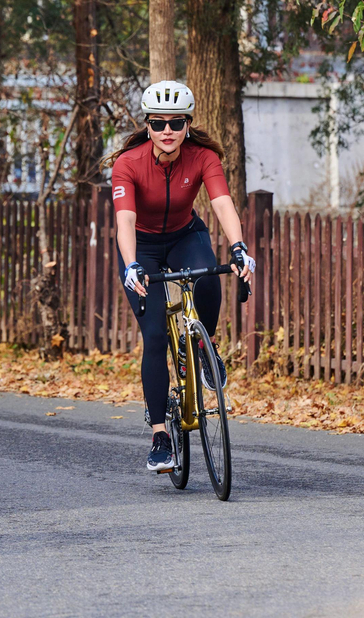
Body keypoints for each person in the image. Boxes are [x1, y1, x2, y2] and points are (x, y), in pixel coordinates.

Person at [110, 80, 256, 472]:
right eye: (158, 123)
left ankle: (205, 347)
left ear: (188, 124)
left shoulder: (203, 157)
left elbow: (222, 205)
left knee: (209, 276)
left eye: (176, 122)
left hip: (184, 235)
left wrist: (239, 247)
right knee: (155, 335)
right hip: (141, 247)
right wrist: (131, 264)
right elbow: (125, 220)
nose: (167, 131)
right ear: (148, 126)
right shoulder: (128, 164)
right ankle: (160, 434)